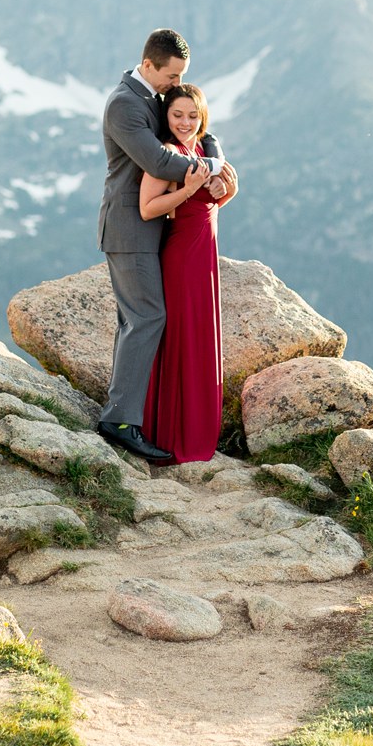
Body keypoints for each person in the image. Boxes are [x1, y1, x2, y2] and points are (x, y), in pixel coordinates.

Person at [96, 28, 236, 463]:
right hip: (130, 228)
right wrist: (211, 166)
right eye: (171, 75)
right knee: (147, 318)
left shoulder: (153, 98)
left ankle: (126, 412)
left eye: (181, 77)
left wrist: (213, 151)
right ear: (149, 64)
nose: (175, 84)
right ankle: (119, 420)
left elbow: (197, 127)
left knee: (135, 320)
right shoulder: (124, 105)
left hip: (154, 233)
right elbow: (157, 161)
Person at [139, 82, 234, 462]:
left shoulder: (202, 150)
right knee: (181, 339)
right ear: (167, 116)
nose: (185, 122)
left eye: (192, 115)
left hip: (204, 257)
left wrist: (229, 190)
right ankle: (168, 433)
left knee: (200, 339)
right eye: (177, 115)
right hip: (180, 259)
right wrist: (188, 188)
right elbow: (149, 207)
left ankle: (196, 431)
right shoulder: (166, 154)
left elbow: (209, 207)